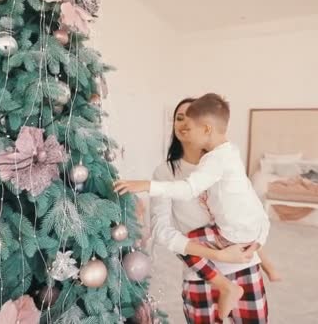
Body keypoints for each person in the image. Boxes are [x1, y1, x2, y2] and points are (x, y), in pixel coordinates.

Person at [115, 94, 274, 321]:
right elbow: (161, 232)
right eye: (179, 118)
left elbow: (253, 212)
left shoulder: (222, 162)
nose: (185, 124)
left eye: (190, 119)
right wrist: (218, 255)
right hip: (200, 276)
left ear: (205, 127)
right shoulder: (165, 173)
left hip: (244, 267)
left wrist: (258, 241)